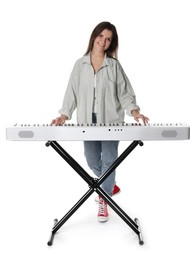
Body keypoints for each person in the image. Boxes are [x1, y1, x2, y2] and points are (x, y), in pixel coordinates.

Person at [51, 21, 149, 223]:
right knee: (91, 159)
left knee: (110, 160)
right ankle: (109, 183)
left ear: (111, 43)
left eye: (108, 39)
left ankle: (104, 199)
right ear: (94, 35)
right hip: (87, 123)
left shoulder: (114, 65)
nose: (103, 41)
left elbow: (124, 93)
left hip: (112, 122)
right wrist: (63, 115)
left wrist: (134, 111)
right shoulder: (80, 65)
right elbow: (72, 94)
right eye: (101, 36)